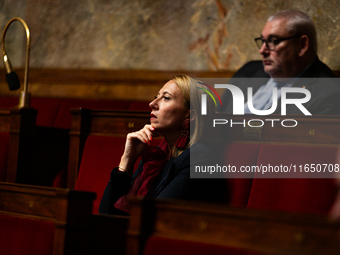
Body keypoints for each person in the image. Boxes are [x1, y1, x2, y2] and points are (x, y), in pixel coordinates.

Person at [99, 74, 228, 215]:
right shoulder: (159, 155)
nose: (152, 104)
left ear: (190, 115)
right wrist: (127, 160)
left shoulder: (199, 160)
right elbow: (106, 214)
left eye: (166, 98)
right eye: (156, 96)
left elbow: (150, 219)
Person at [217, 9, 340, 115]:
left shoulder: (328, 96)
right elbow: (215, 121)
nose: (262, 50)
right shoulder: (249, 71)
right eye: (263, 41)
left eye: (273, 41)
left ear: (302, 45)